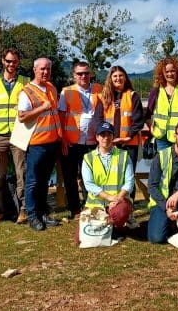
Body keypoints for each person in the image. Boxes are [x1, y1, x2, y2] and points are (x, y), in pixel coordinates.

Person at [93, 65, 144, 229]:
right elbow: (98, 119)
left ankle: (129, 214)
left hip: (129, 144)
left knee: (128, 180)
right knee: (108, 178)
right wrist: (105, 138)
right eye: (114, 76)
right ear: (110, 78)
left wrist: (127, 136)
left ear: (125, 78)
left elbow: (138, 120)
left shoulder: (133, 96)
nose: (117, 79)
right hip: (109, 145)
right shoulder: (103, 97)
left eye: (120, 76)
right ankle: (107, 213)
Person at [18, 57, 63, 231]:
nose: (45, 72)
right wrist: (41, 109)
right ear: (34, 70)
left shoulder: (51, 88)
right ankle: (32, 216)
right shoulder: (27, 92)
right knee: (33, 181)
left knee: (44, 181)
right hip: (36, 143)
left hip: (52, 142)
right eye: (42, 69)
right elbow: (22, 116)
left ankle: (43, 213)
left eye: (48, 69)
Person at [0, 48, 30, 223]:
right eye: (8, 61)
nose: (11, 64)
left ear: (18, 63)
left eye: (15, 62)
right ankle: (0, 210)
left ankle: (24, 210)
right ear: (3, 61)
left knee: (22, 173)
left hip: (19, 133)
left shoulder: (25, 82)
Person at [58, 61, 101, 219]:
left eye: (86, 73)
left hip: (93, 142)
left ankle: (91, 207)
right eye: (80, 73)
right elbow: (61, 117)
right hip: (71, 142)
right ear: (74, 75)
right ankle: (75, 209)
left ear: (90, 74)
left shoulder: (99, 89)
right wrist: (62, 139)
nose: (83, 76)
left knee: (90, 177)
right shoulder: (66, 92)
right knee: (70, 177)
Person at [81, 122, 134, 232]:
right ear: (97, 137)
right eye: (102, 135)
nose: (106, 138)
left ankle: (114, 226)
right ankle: (108, 226)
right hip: (96, 204)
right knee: (79, 238)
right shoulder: (88, 158)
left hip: (118, 201)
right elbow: (88, 184)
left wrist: (117, 198)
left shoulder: (123, 155)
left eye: (109, 135)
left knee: (121, 212)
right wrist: (109, 197)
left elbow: (129, 182)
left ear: (113, 137)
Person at [146, 57, 178, 152]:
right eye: (167, 71)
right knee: (165, 165)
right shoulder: (156, 90)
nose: (170, 74)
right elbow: (147, 115)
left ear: (177, 71)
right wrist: (152, 129)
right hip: (161, 138)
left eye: (172, 71)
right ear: (162, 73)